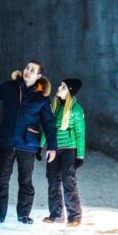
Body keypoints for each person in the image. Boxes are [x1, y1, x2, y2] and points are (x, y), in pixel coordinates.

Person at [0, 60, 57, 225]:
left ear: (38, 76)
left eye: (32, 70)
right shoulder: (9, 87)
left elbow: (48, 123)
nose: (28, 71)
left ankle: (24, 214)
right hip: (6, 141)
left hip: (28, 144)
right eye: (27, 67)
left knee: (25, 181)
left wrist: (52, 147)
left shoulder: (42, 97)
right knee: (0, 178)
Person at [41, 78, 85, 227]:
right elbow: (47, 128)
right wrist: (40, 146)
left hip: (69, 150)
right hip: (54, 149)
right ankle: (56, 214)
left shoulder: (76, 110)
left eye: (63, 86)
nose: (59, 87)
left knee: (68, 182)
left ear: (69, 91)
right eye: (60, 85)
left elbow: (80, 133)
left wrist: (80, 155)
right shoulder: (54, 105)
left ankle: (75, 216)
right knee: (53, 181)